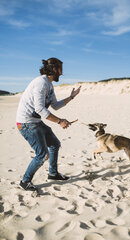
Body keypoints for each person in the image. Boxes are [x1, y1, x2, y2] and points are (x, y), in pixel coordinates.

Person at [16, 57, 81, 191]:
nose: (62, 73)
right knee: (42, 155)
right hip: (26, 123)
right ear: (54, 69)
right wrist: (60, 121)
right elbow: (40, 109)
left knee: (55, 144)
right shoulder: (41, 83)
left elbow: (55, 106)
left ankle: (53, 174)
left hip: (35, 122)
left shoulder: (49, 84)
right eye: (61, 70)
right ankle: (25, 181)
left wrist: (72, 96)